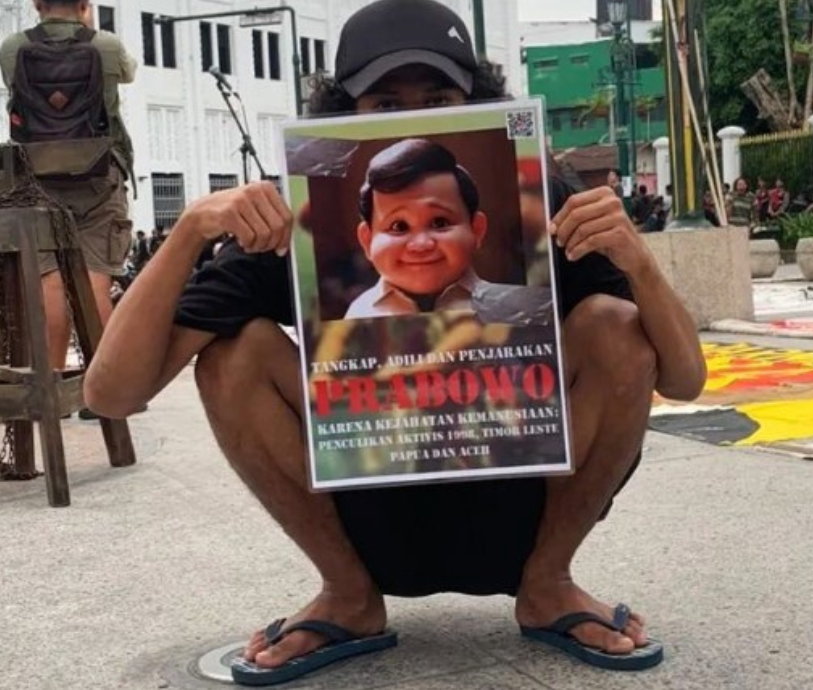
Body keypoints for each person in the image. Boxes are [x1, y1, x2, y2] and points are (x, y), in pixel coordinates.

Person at [85, 0, 706, 684]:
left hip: (524, 515)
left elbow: (681, 380)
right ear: (345, 116)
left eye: (439, 97)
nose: (414, 112)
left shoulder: (542, 195)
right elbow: (112, 393)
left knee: (615, 328)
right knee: (234, 354)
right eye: (385, 100)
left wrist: (640, 263)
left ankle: (550, 585)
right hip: (362, 525)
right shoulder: (295, 216)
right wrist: (189, 230)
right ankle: (347, 597)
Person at [0, 0, 137, 419]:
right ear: (84, 5)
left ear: (37, 5)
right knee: (97, 283)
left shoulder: (11, 48)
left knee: (50, 287)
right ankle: (104, 390)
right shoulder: (107, 45)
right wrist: (88, 28)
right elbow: (128, 73)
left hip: (35, 181)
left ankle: (53, 387)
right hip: (98, 175)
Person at [345, 138, 552, 324]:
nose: (421, 244)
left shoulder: (510, 310)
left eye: (439, 222)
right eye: (399, 226)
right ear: (367, 240)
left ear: (476, 230)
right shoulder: (358, 314)